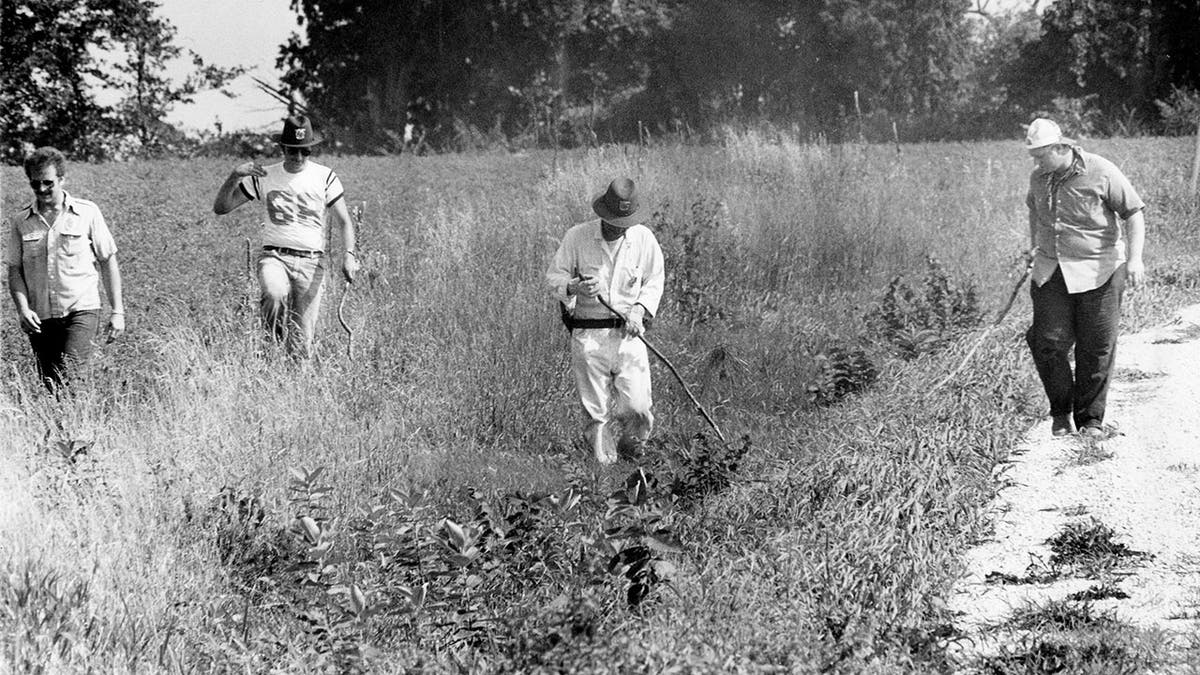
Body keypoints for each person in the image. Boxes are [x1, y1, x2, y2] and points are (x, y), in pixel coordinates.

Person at [1023, 118, 1146, 439]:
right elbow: (1034, 211)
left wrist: (1135, 260)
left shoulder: (1101, 171)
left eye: (1041, 155)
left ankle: (1090, 420)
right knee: (1045, 341)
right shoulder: (1039, 178)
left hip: (1101, 270)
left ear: (1062, 148)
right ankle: (1061, 412)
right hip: (1052, 270)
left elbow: (1133, 212)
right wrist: (1033, 248)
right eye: (1034, 156)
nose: (1036, 163)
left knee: (1096, 345)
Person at [212, 114, 359, 356]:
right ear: (282, 148)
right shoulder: (265, 176)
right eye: (293, 151)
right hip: (274, 257)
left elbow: (345, 222)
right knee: (274, 292)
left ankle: (293, 379)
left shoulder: (325, 177)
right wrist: (234, 176)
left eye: (305, 152)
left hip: (312, 263)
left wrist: (349, 255)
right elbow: (222, 208)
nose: (299, 157)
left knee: (302, 344)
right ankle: (270, 348)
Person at [546, 177, 665, 464]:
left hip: (629, 335)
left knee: (638, 407)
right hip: (589, 334)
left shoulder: (644, 239)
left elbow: (654, 280)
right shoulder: (577, 236)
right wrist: (574, 287)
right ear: (602, 213)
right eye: (612, 220)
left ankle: (632, 451)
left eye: (623, 222)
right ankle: (603, 465)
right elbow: (554, 278)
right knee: (596, 411)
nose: (617, 227)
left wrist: (639, 311)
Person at [4, 146, 125, 393]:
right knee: (51, 385)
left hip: (81, 310)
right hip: (40, 317)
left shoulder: (87, 212)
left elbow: (107, 260)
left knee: (72, 378)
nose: (41, 189)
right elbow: (14, 271)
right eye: (35, 183)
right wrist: (23, 310)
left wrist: (118, 312)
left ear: (62, 179)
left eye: (48, 183)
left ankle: (78, 429)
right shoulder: (20, 221)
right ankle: (61, 431)